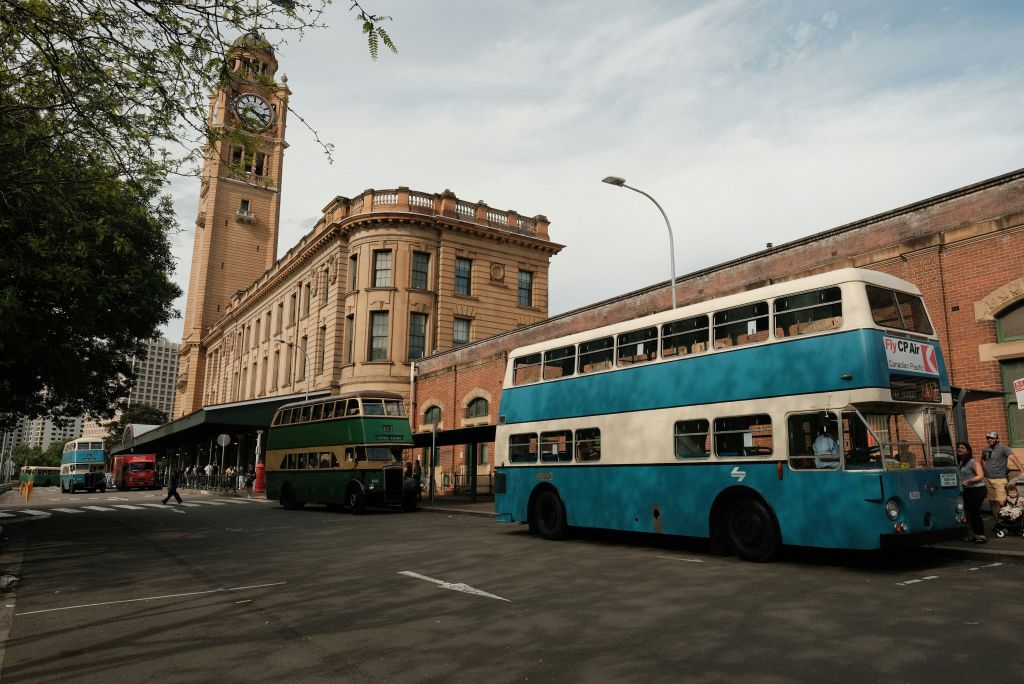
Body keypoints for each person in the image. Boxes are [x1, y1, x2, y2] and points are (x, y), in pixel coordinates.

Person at [981, 432, 1022, 518]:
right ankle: (998, 523)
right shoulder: (985, 449)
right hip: (988, 479)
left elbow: (1014, 458)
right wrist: (985, 469)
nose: (989, 440)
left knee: (1001, 502)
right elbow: (983, 459)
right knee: (992, 502)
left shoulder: (1004, 448)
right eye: (988, 438)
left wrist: (1022, 471)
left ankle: (1005, 521)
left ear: (997, 439)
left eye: (992, 438)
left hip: (1000, 479)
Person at [957, 442, 987, 543]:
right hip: (967, 490)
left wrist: (968, 481)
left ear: (968, 451)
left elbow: (980, 475)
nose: (959, 449)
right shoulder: (959, 462)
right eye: (958, 447)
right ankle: (972, 534)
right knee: (967, 513)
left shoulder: (972, 462)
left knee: (975, 512)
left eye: (962, 447)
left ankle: (981, 535)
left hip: (977, 489)